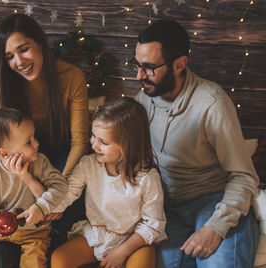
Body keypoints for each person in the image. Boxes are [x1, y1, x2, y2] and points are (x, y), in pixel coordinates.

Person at [133, 19, 260, 267]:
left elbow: (245, 176)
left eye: (148, 68)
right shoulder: (144, 97)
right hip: (168, 206)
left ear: (179, 64)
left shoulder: (212, 103)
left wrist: (215, 227)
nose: (139, 75)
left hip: (215, 201)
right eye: (136, 65)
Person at [0, 13, 89, 192]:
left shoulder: (71, 76)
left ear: (39, 42)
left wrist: (58, 192)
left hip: (60, 146)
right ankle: (17, 200)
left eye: (24, 49)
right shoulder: (7, 82)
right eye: (10, 57)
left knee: (83, 180)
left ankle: (35, 203)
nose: (20, 62)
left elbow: (79, 143)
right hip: (20, 147)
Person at [51, 97, 167, 268]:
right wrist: (46, 209)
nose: (94, 145)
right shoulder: (88, 164)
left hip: (135, 240)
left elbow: (153, 223)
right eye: (93, 136)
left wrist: (123, 251)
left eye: (103, 142)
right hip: (97, 234)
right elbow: (67, 193)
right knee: (60, 259)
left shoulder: (147, 178)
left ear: (128, 145)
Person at [0, 107, 67, 268]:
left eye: (34, 137)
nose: (37, 144)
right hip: (1, 229)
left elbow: (60, 187)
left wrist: (41, 207)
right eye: (29, 142)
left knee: (35, 258)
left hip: (35, 232)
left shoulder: (40, 162)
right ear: (4, 154)